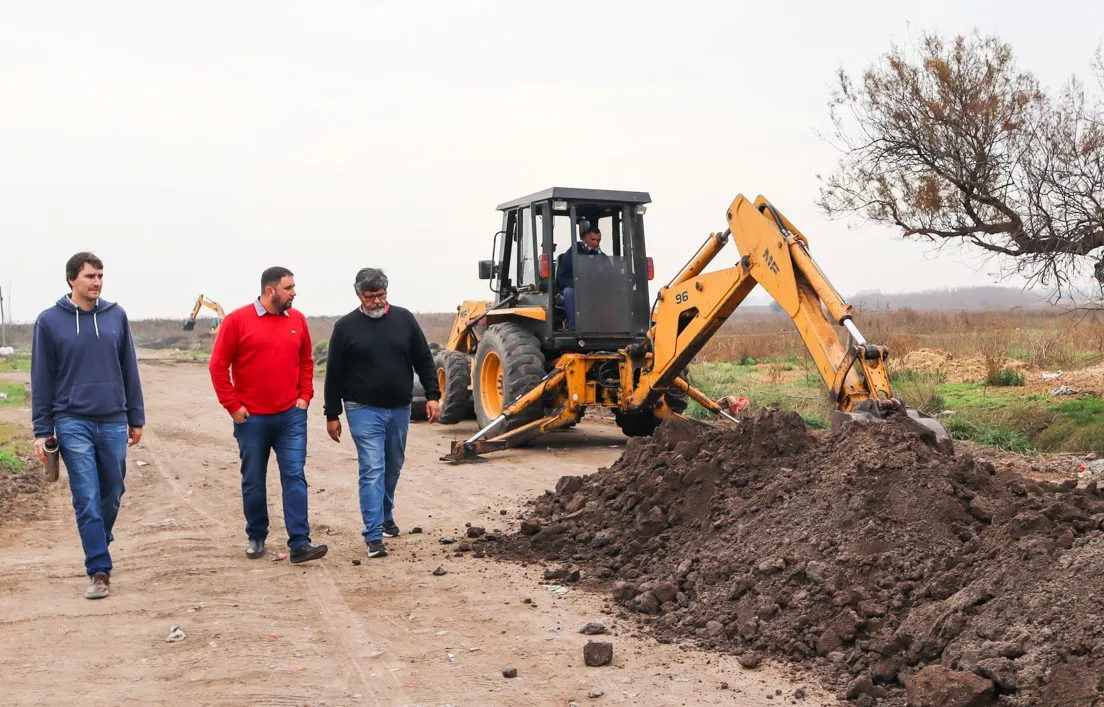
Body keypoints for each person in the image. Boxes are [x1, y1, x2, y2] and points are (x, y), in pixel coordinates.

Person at [31, 252, 145, 600]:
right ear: (72, 280)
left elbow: (129, 368)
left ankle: (98, 539)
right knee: (86, 497)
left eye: (100, 276)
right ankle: (99, 569)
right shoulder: (49, 322)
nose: (96, 282)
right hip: (71, 420)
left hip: (112, 418)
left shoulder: (116, 316)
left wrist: (135, 417)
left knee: (112, 493)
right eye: (90, 276)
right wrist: (41, 429)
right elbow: (42, 378)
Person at [208, 266, 327, 564]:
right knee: (253, 479)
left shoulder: (297, 320)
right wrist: (233, 406)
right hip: (252, 420)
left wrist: (304, 396)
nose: (294, 293)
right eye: (289, 288)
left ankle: (300, 543)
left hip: (290, 416)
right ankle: (256, 535)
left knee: (295, 476)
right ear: (270, 290)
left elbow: (306, 361)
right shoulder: (237, 320)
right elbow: (218, 367)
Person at [323, 268, 440, 559]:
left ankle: (385, 513)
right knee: (372, 468)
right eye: (370, 296)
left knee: (393, 464)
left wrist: (433, 395)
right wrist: (332, 413)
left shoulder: (404, 319)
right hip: (361, 408)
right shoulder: (346, 327)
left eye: (381, 295)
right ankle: (373, 535)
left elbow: (424, 360)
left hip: (399, 408)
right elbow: (333, 373)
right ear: (359, 295)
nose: (376, 301)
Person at [556, 222, 605, 329]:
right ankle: (573, 327)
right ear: (584, 238)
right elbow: (562, 276)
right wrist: (578, 285)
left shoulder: (601, 256)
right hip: (575, 288)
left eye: (598, 240)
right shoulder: (572, 252)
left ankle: (606, 326)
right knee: (568, 292)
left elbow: (610, 272)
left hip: (594, 289)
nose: (596, 243)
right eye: (593, 239)